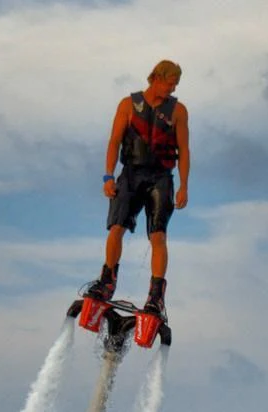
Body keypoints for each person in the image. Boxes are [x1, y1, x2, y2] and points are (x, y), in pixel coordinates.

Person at [82, 60, 190, 319]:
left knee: (158, 236)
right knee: (116, 227)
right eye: (170, 82)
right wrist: (108, 176)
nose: (173, 88)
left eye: (176, 84)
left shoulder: (178, 111)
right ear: (155, 78)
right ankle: (107, 281)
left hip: (160, 178)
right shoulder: (128, 105)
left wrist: (184, 186)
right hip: (131, 174)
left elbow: (184, 150)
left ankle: (155, 297)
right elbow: (114, 141)